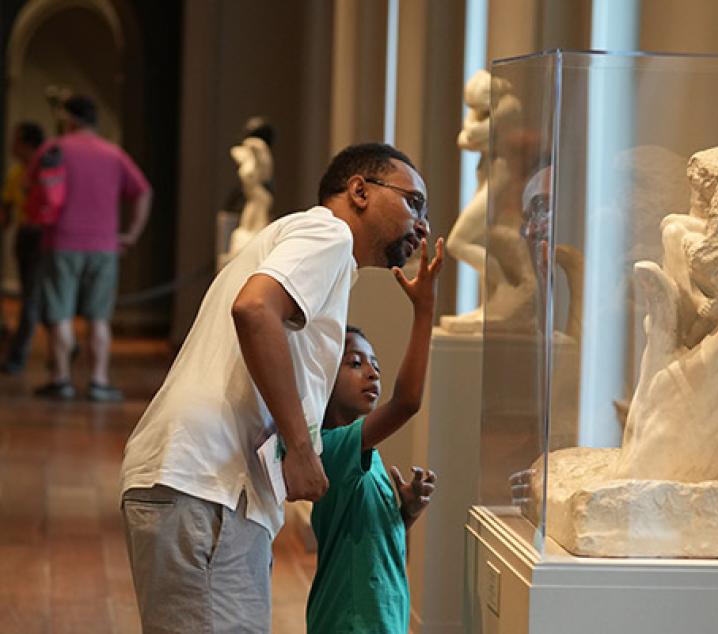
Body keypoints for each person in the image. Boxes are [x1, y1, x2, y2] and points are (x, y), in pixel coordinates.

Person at [120, 142, 431, 632]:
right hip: (208, 485)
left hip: (213, 488)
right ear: (359, 191)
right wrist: (302, 447)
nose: (422, 225)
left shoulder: (318, 249)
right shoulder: (327, 233)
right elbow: (254, 309)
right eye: (413, 202)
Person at [308, 236, 443, 633]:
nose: (372, 372)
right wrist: (424, 309)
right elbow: (407, 402)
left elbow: (365, 539)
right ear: (324, 381)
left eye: (376, 365)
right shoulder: (330, 448)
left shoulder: (369, 456)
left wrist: (403, 512)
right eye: (355, 363)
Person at [33, 95, 152, 400]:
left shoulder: (54, 148)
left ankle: (61, 380)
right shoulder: (113, 154)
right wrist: (132, 233)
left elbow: (31, 188)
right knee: (98, 318)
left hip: (60, 241)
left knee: (60, 314)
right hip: (103, 245)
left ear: (68, 119)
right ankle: (99, 381)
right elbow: (143, 191)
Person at [1, 121, 45, 372]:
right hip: (25, 235)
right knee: (35, 297)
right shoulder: (17, 172)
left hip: (40, 237)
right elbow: (7, 209)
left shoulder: (43, 171)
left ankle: (18, 356)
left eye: (16, 140)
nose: (12, 146)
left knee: (32, 299)